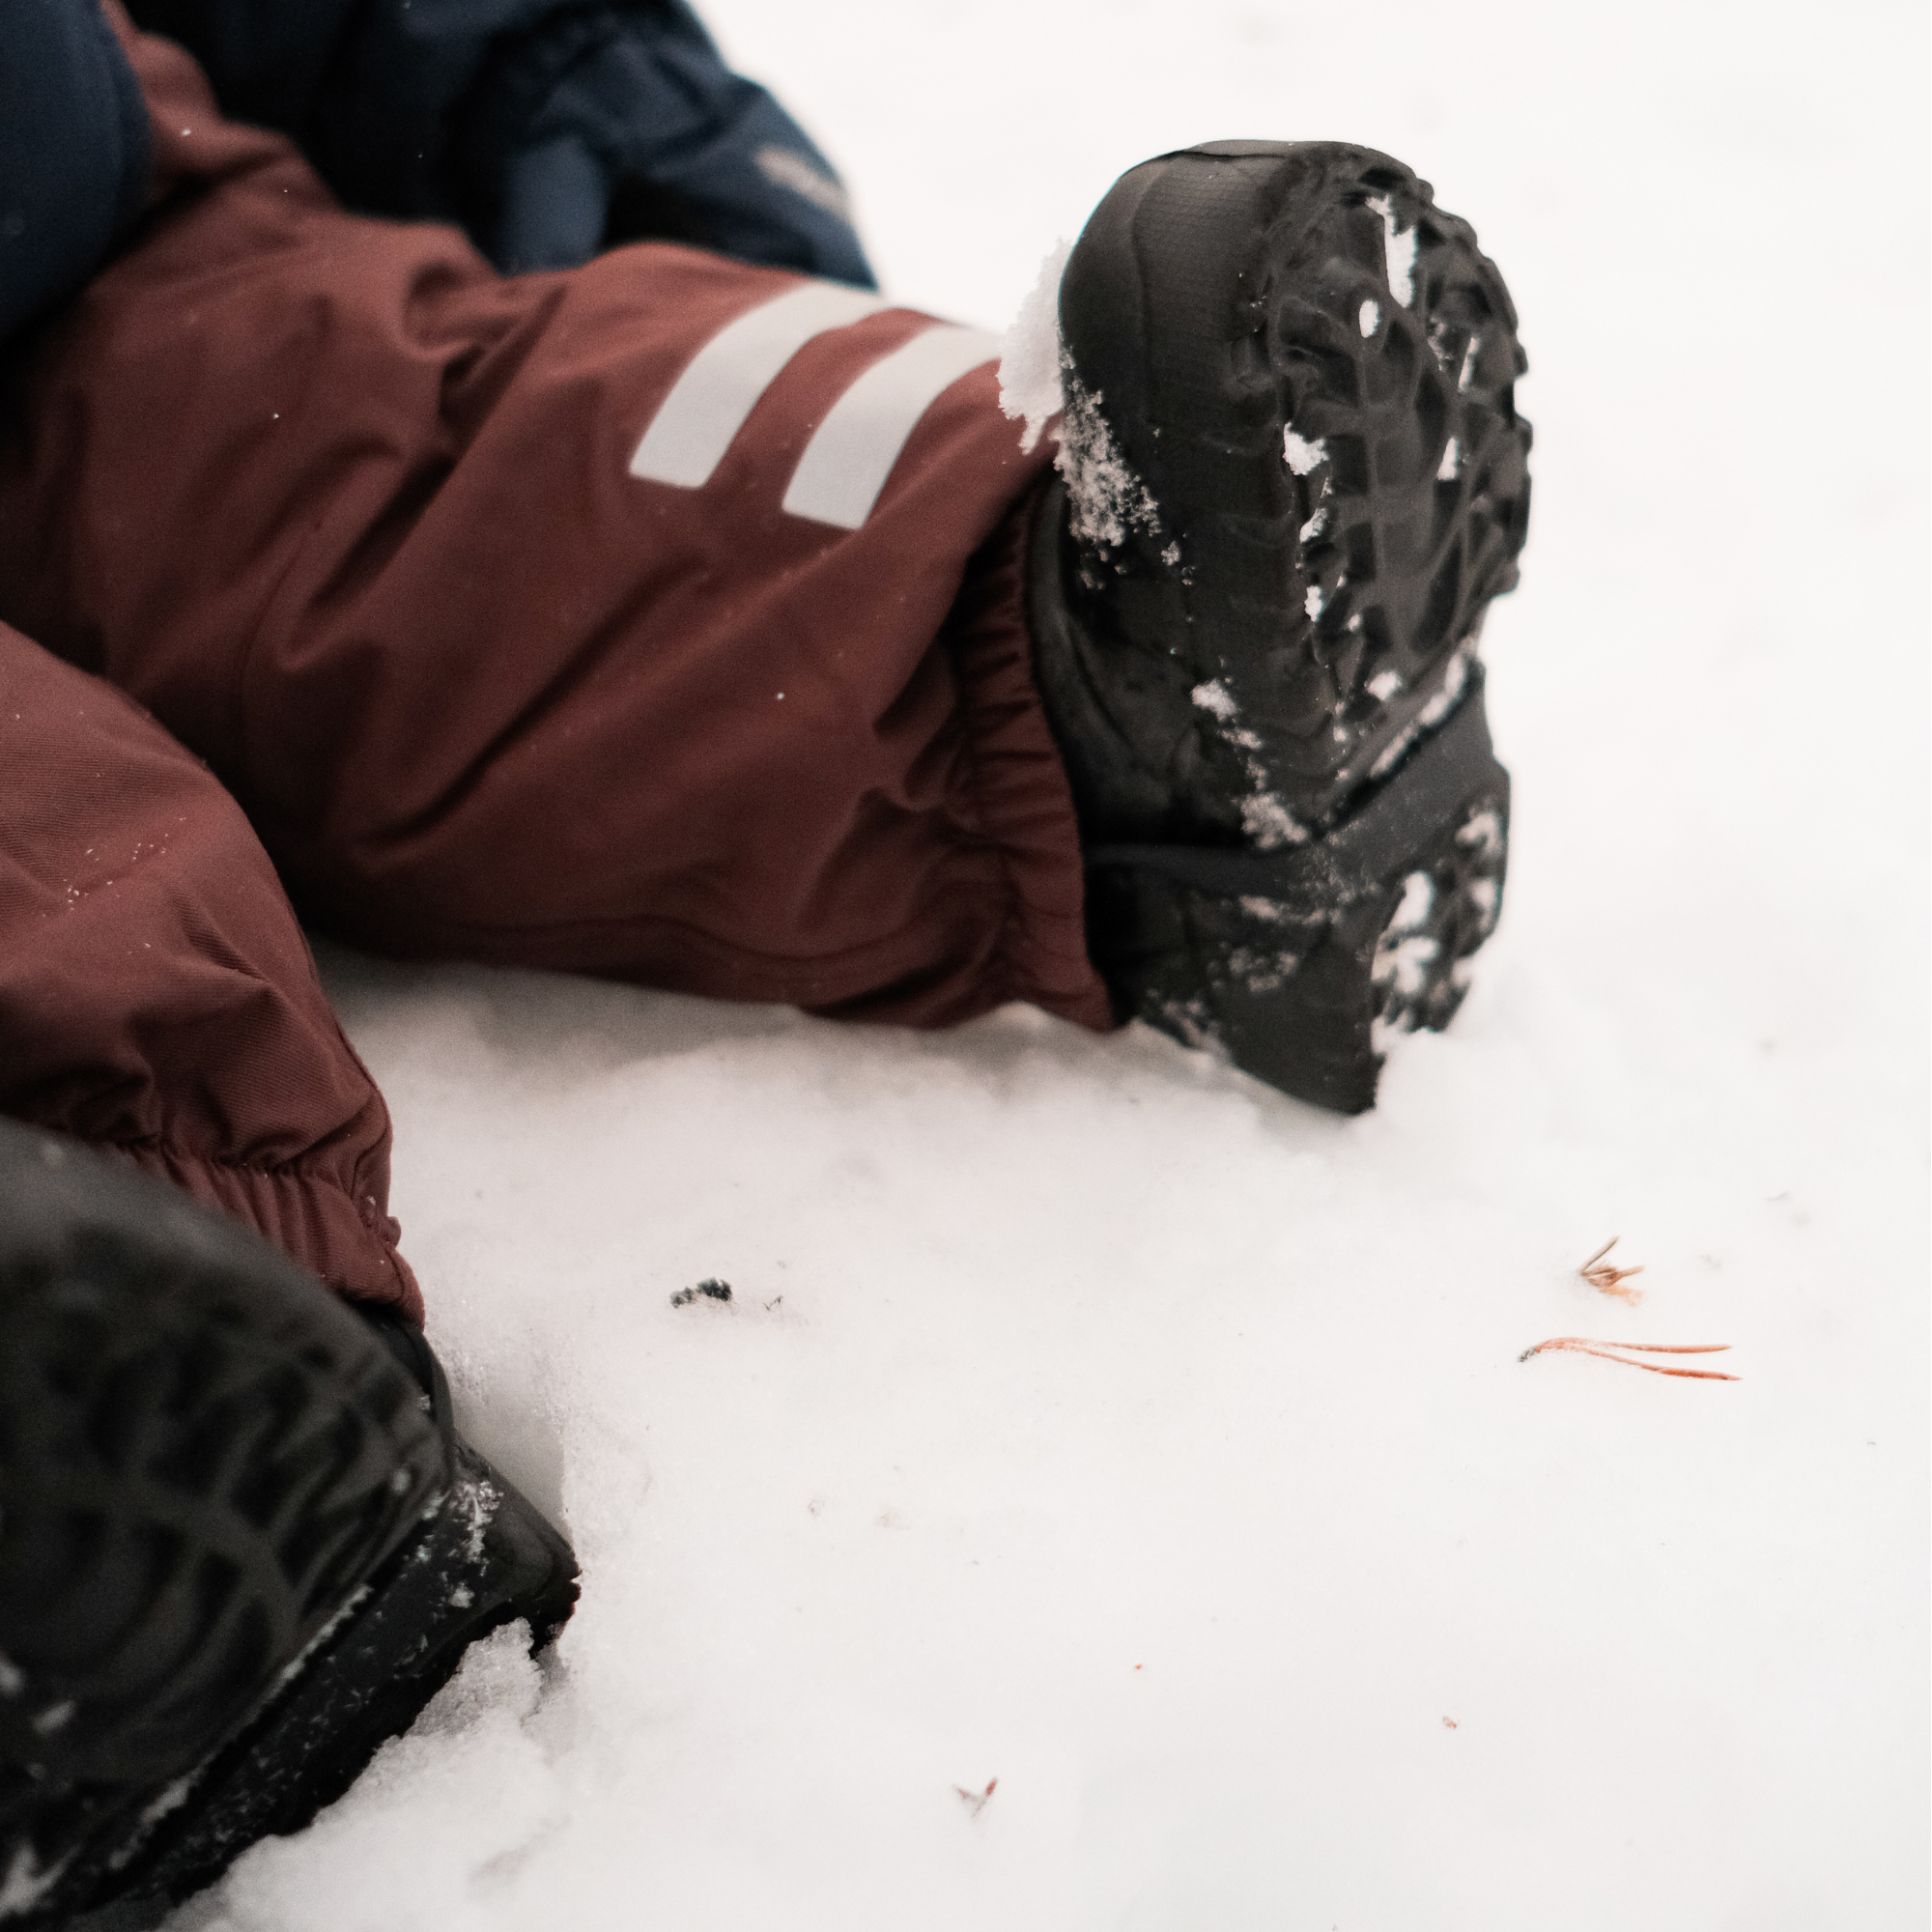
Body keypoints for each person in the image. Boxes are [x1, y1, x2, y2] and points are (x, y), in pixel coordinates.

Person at [0, 0, 1531, 1918]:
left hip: (92, 235)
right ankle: (132, 1406)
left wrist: (523, 66)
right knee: (55, 839)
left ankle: (1099, 650)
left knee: (437, 452)